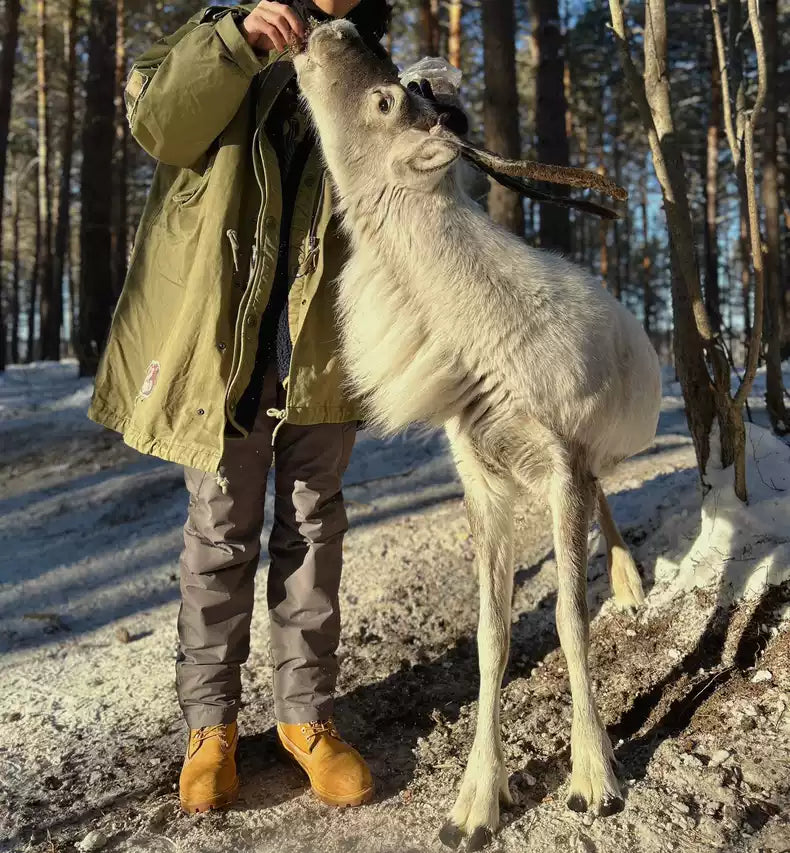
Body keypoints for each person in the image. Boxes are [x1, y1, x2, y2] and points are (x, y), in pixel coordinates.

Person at [88, 0, 393, 814]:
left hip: (324, 344)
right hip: (225, 345)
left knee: (314, 528)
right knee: (220, 535)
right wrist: (235, 41)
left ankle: (305, 720)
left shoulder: (373, 63)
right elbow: (161, 123)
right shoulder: (221, 28)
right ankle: (211, 728)